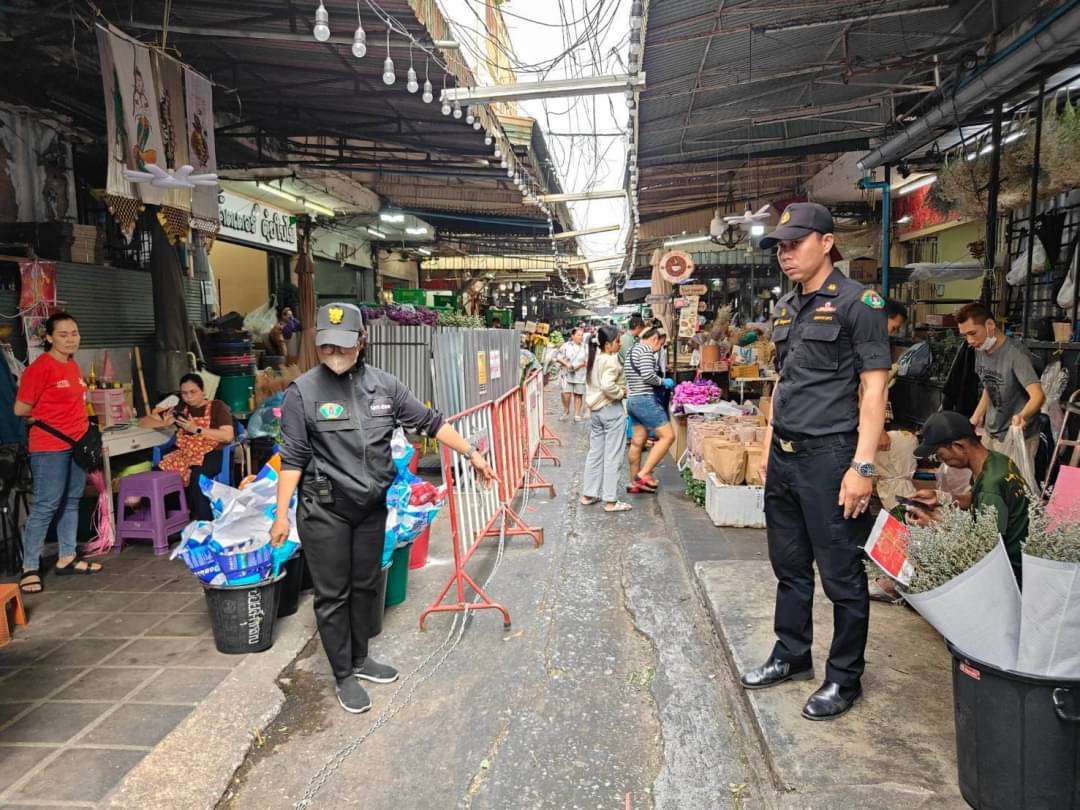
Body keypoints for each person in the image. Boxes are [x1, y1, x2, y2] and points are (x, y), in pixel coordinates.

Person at [271, 303, 496, 714]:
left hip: (371, 507)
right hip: (326, 511)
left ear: (361, 341)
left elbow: (431, 422)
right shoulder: (302, 393)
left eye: (342, 346)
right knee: (333, 594)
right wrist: (281, 515)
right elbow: (292, 460)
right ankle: (342, 674)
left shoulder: (385, 387)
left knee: (366, 585)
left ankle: (360, 658)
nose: (334, 355)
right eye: (326, 348)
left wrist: (472, 454)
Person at [740, 202, 890, 721]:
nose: (785, 254)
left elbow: (874, 390)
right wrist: (765, 445)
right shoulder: (786, 307)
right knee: (789, 568)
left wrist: (863, 467)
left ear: (826, 242)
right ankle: (792, 654)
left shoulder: (859, 303)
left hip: (831, 459)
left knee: (843, 577)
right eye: (779, 246)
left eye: (794, 243)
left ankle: (844, 678)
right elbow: (784, 384)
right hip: (784, 458)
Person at [15, 312, 101, 592]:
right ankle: (29, 566)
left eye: (74, 333)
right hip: (49, 446)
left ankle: (67, 556)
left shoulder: (73, 365)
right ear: (49, 337)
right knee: (46, 505)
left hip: (77, 445)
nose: (70, 339)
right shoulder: (40, 368)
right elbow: (21, 409)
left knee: (72, 500)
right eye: (63, 334)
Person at [907, 410, 1029, 585]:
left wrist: (934, 525)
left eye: (941, 455)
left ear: (959, 446)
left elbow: (982, 550)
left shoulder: (991, 486)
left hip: (1008, 572)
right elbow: (976, 498)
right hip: (1007, 556)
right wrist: (943, 498)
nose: (942, 461)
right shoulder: (996, 461)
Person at [955, 302, 1045, 470]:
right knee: (989, 481)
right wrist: (975, 417)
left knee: (1013, 488)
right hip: (991, 432)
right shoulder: (980, 349)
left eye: (973, 333)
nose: (970, 341)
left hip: (1017, 436)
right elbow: (989, 386)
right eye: (965, 336)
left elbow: (1038, 395)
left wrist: (1022, 416)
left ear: (990, 325)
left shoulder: (1016, 354)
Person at [139, 374, 235, 521]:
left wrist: (197, 429)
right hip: (186, 453)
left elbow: (227, 436)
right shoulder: (181, 409)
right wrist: (164, 423)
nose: (189, 397)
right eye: (184, 393)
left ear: (203, 391)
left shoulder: (217, 407)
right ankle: (170, 520)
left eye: (193, 392)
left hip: (213, 452)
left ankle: (204, 521)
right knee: (158, 474)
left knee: (197, 477)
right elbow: (143, 422)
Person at [581, 325, 632, 512]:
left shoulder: (594, 358)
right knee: (613, 455)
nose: (620, 344)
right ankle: (610, 500)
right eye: (618, 341)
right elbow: (607, 386)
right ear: (608, 345)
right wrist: (621, 393)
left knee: (595, 453)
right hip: (611, 410)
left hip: (595, 411)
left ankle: (589, 493)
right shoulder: (611, 361)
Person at [625, 326, 675, 493]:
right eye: (660, 345)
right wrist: (663, 382)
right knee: (668, 436)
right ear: (654, 339)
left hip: (633, 401)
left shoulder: (632, 351)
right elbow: (648, 375)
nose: (659, 348)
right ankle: (643, 475)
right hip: (644, 400)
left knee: (638, 441)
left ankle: (634, 482)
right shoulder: (646, 351)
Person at [558, 327, 588, 422]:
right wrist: (566, 364)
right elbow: (558, 357)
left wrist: (583, 364)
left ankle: (577, 414)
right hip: (566, 374)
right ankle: (566, 410)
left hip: (580, 374)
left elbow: (588, 360)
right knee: (566, 394)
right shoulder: (566, 346)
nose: (580, 337)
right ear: (573, 336)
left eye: (582, 335)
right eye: (578, 335)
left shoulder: (585, 347)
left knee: (578, 394)